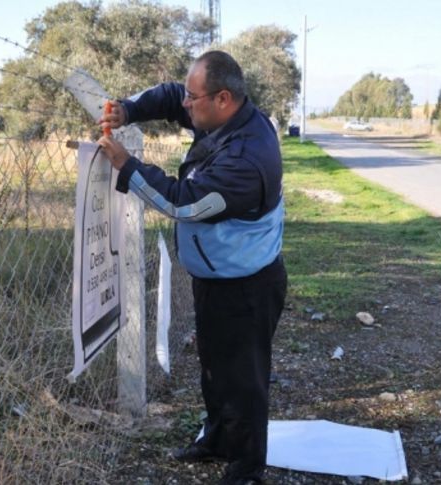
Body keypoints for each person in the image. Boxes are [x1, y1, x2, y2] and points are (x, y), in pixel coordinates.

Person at [97, 50, 286, 485]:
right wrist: (130, 108)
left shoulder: (246, 159)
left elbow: (183, 204)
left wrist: (127, 166)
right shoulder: (224, 117)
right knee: (215, 368)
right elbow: (168, 96)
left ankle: (245, 469)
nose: (184, 104)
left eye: (193, 98)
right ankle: (217, 440)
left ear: (223, 98)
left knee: (244, 383)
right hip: (219, 274)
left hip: (246, 287)